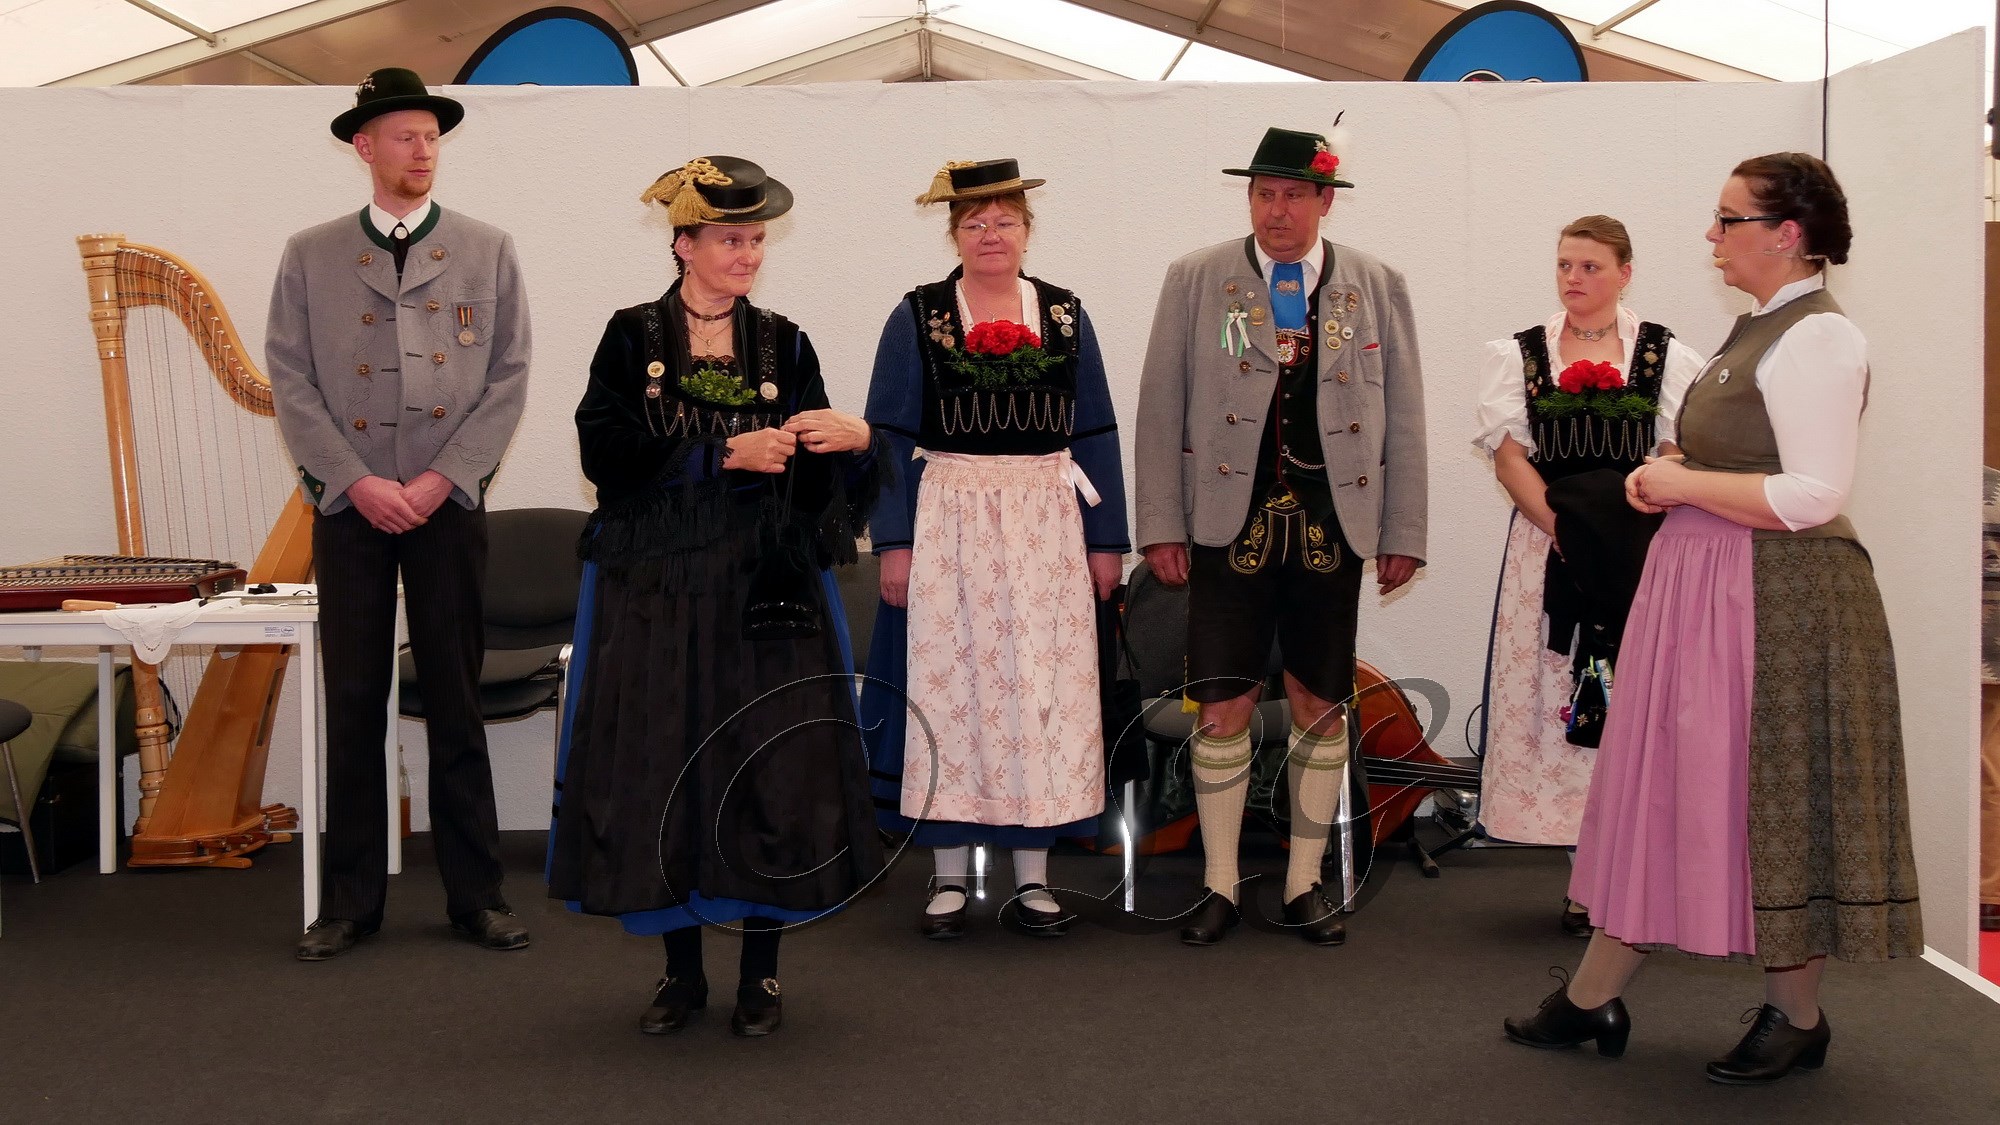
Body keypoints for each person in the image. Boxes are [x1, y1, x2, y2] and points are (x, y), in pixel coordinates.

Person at [1503, 153, 1922, 1084]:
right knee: (1669, 784)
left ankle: (1795, 1013)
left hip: (1779, 598)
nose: (1712, 235)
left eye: (1729, 220)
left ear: (1788, 234)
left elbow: (1814, 493)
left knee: (1774, 798)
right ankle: (1594, 992)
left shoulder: (1819, 336)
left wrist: (1680, 481)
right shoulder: (1759, 329)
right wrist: (1678, 475)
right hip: (1715, 589)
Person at [547, 156, 887, 1039]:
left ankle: (762, 973)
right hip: (656, 588)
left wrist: (855, 442)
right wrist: (720, 454)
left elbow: (815, 487)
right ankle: (681, 971)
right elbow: (604, 454)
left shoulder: (786, 341)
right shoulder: (630, 336)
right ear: (684, 244)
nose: (748, 255)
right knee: (665, 766)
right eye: (731, 239)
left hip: (762, 588)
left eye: (757, 239)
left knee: (771, 766)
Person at [1133, 125, 1428, 946]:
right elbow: (1160, 406)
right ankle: (1220, 884)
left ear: (1325, 200)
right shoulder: (1196, 278)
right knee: (1221, 702)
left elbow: (1404, 412)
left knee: (1319, 701)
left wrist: (1404, 527)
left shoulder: (1375, 283)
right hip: (1225, 524)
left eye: (1294, 195)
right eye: (1264, 194)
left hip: (1335, 523)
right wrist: (1159, 524)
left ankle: (1303, 882)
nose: (1277, 210)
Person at [267, 67, 531, 962]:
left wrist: (440, 477)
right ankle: (349, 901)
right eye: (406, 136)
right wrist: (356, 481)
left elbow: (509, 375)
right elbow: (290, 378)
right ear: (365, 146)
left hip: (446, 502)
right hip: (351, 507)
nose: (424, 150)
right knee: (352, 699)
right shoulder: (310, 253)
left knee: (456, 695)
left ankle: (478, 895)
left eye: (432, 136)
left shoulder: (488, 247)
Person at [859, 159, 1129, 939]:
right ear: (954, 234)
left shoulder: (1067, 315)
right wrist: (894, 542)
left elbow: (1095, 428)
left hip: (1047, 523)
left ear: (1026, 231)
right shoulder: (918, 316)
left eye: (1004, 221)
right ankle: (948, 875)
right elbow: (887, 435)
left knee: (1038, 692)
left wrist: (1105, 542)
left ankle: (1034, 878)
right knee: (953, 691)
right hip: (950, 520)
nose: (990, 235)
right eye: (974, 223)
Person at [1471, 216, 1703, 937]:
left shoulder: (1665, 354)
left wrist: (1619, 525)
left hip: (1637, 549)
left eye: (1591, 266)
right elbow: (1510, 458)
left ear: (1625, 273)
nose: (1573, 278)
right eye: (1565, 264)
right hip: (1550, 545)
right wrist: (1565, 530)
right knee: (1557, 696)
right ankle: (1583, 878)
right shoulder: (1521, 354)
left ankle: (1627, 877)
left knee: (1631, 699)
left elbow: (1675, 452)